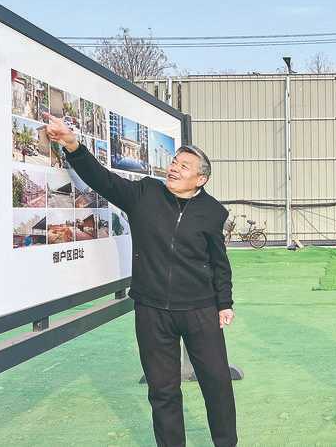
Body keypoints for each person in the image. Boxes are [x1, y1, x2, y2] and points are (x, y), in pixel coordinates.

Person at [45, 115, 238, 447]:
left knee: (217, 383)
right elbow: (102, 180)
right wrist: (72, 145)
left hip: (200, 311)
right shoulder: (145, 194)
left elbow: (219, 263)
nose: (174, 168)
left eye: (184, 166)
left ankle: (226, 443)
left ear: (201, 179)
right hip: (152, 311)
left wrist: (224, 303)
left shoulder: (212, 212)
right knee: (162, 391)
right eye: (175, 162)